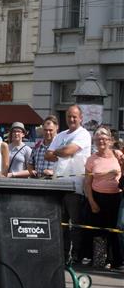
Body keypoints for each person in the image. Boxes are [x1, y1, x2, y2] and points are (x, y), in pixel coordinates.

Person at [46, 105, 92, 261]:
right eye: (68, 117)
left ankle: (76, 256)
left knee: (76, 225)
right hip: (57, 185)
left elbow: (67, 151)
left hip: (75, 186)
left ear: (81, 118)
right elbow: (48, 155)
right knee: (60, 224)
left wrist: (58, 151)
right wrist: (62, 151)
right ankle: (62, 255)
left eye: (74, 116)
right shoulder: (61, 135)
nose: (71, 119)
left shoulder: (84, 134)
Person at [80, 127, 122, 269]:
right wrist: (91, 202)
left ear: (110, 140)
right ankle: (99, 260)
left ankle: (116, 261)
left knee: (115, 231)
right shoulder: (91, 159)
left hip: (116, 198)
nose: (101, 141)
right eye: (98, 139)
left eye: (104, 138)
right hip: (97, 197)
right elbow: (87, 182)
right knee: (98, 230)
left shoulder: (118, 155)